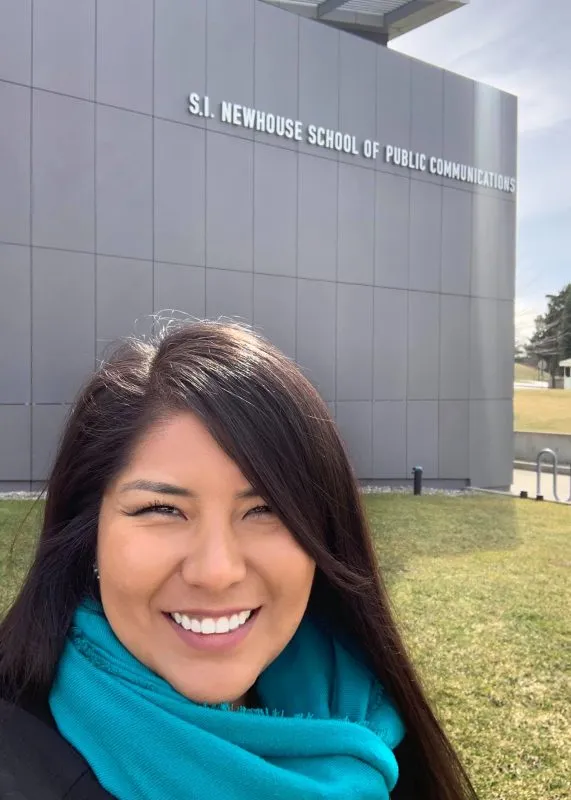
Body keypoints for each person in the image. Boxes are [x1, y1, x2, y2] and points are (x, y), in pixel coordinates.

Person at [0, 321, 478, 800]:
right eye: (162, 510)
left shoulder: (362, 711)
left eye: (266, 509)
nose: (216, 572)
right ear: (89, 535)